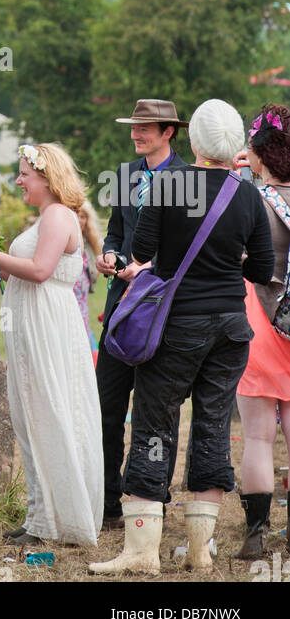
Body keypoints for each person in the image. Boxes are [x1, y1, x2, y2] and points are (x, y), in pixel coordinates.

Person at [90, 99, 274, 576]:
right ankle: (199, 549)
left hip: (176, 329)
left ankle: (141, 551)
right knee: (212, 428)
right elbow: (261, 269)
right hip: (231, 329)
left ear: (192, 142)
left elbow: (142, 250)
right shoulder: (248, 194)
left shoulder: (170, 185)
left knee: (154, 426)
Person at [0, 142, 103, 547]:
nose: (19, 180)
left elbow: (42, 270)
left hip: (48, 325)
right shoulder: (47, 216)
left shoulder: (59, 215)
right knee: (31, 417)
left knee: (47, 414)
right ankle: (40, 515)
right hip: (33, 322)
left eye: (25, 174)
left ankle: (52, 522)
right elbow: (28, 274)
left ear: (47, 178)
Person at [94, 98, 189, 529]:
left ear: (168, 131)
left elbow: (189, 251)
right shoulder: (125, 175)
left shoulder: (189, 179)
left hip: (165, 312)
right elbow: (116, 231)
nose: (136, 134)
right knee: (107, 407)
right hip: (120, 310)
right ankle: (108, 501)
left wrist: (146, 269)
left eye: (145, 127)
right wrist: (110, 255)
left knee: (155, 413)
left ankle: (149, 500)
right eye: (133, 126)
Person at [233, 103, 290, 558]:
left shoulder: (251, 199)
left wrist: (242, 174)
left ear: (259, 154)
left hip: (261, 326)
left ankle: (255, 535)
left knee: (256, 436)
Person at [73, 200, 102, 354]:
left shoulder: (89, 242)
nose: (79, 219)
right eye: (77, 215)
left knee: (83, 330)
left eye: (83, 216)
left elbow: (96, 265)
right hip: (69, 295)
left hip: (82, 297)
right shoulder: (67, 240)